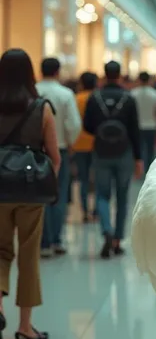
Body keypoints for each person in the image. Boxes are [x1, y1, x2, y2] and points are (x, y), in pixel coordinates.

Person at [0, 49, 60, 339]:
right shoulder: (41, 107)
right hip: (29, 189)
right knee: (28, 254)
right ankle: (25, 326)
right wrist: (50, 182)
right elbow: (54, 156)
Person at [83, 61, 143, 258]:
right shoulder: (128, 98)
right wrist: (138, 158)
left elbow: (88, 127)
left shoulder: (94, 98)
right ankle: (117, 240)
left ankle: (106, 230)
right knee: (123, 197)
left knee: (102, 194)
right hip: (124, 152)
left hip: (101, 151)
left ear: (104, 75)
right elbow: (135, 130)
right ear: (119, 75)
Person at [36, 57, 81, 257]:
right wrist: (70, 142)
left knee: (39, 196)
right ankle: (57, 240)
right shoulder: (66, 94)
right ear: (57, 72)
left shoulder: (33, 92)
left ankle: (43, 242)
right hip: (60, 150)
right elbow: (73, 123)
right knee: (59, 195)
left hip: (35, 151)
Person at [72, 72, 97, 222]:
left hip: (79, 143)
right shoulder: (97, 98)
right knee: (98, 179)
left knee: (83, 179)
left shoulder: (76, 99)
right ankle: (96, 211)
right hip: (97, 144)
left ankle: (84, 212)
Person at [132, 71, 156, 173]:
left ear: (139, 79)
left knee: (139, 149)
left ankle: (139, 168)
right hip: (151, 125)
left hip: (137, 126)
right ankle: (148, 169)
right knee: (150, 150)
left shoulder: (133, 94)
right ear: (149, 80)